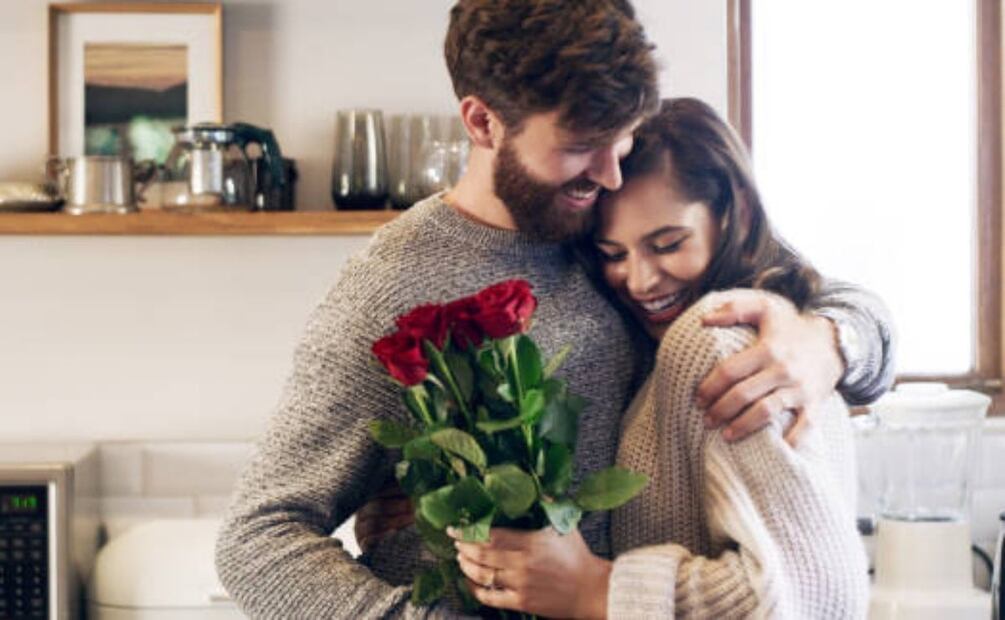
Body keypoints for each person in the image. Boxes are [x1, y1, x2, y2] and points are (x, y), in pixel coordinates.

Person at [215, 1, 894, 617]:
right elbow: (258, 539)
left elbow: (794, 284)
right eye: (578, 147)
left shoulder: (623, 214)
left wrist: (830, 338)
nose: (609, 174)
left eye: (620, 136)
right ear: (482, 121)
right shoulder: (392, 288)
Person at [450, 98, 873, 618]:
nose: (642, 280)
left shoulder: (716, 335)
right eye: (614, 254)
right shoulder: (667, 343)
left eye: (668, 243)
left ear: (731, 210)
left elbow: (817, 593)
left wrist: (598, 590)